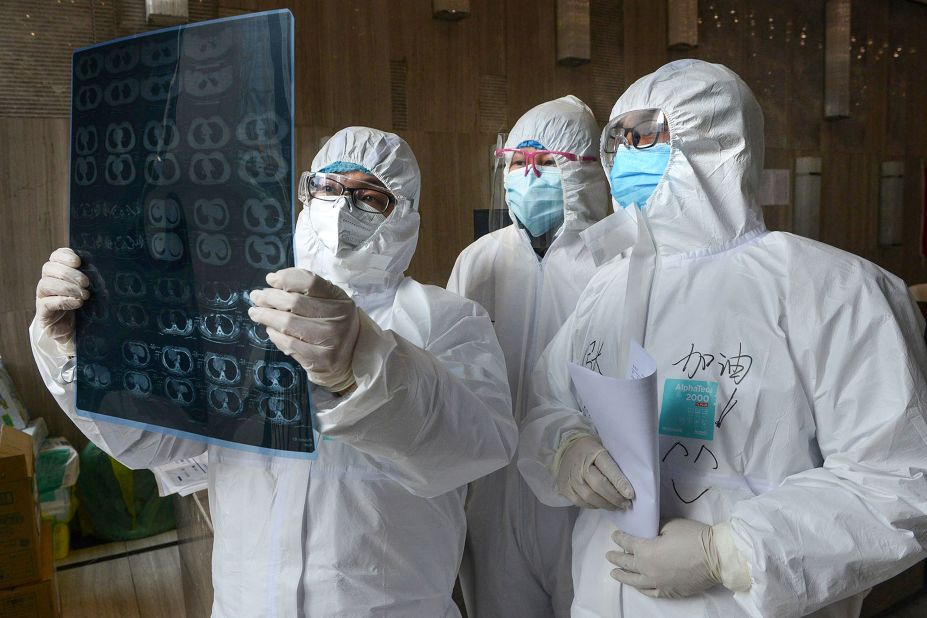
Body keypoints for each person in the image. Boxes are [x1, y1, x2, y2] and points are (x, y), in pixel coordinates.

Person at [32, 126, 518, 617]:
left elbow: (473, 448)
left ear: (406, 214)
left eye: (369, 197)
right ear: (306, 195)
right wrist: (90, 351)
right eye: (327, 188)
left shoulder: (445, 318)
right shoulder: (237, 311)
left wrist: (361, 362)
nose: (342, 206)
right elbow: (155, 444)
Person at [518, 59, 927, 617]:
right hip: (601, 586)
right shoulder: (610, 286)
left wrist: (730, 552)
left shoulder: (829, 290)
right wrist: (567, 447)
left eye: (646, 137)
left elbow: (898, 480)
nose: (625, 157)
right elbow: (548, 400)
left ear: (712, 142)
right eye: (617, 142)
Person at [447, 95, 610, 617]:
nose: (529, 175)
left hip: (586, 496)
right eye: (519, 162)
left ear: (583, 173)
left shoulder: (618, 261)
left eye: (546, 163)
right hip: (491, 497)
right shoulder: (480, 261)